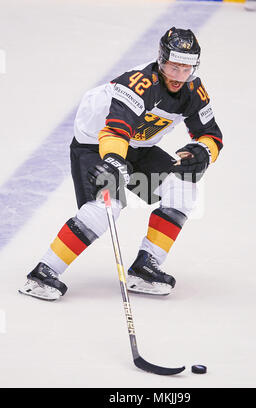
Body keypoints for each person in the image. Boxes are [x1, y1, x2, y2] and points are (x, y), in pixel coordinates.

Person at [19, 27, 223, 301]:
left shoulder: (193, 88)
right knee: (105, 208)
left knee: (183, 188)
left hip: (138, 147)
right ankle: (43, 273)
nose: (179, 76)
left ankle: (144, 268)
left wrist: (204, 152)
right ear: (161, 60)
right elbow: (115, 130)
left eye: (186, 68)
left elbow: (211, 134)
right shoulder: (139, 83)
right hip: (94, 142)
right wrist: (113, 162)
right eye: (174, 67)